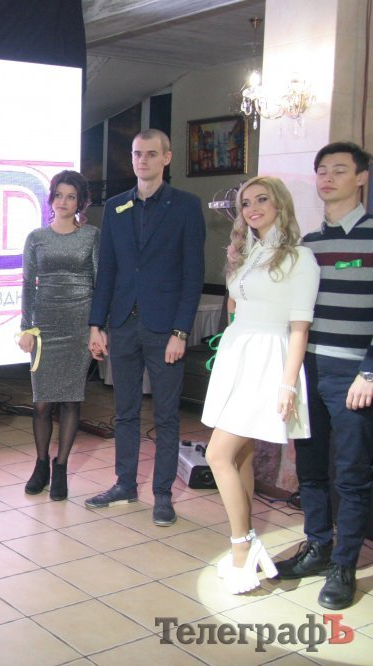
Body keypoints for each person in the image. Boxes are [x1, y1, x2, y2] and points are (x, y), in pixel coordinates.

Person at [201, 176, 319, 595]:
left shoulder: (300, 257)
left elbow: (300, 328)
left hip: (269, 361)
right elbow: (238, 307)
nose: (252, 209)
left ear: (280, 204)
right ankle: (247, 541)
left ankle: (241, 550)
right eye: (246, 203)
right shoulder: (248, 253)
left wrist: (287, 386)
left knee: (217, 454)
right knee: (241, 457)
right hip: (238, 356)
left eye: (261, 200)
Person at [86, 128, 206, 526]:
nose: (143, 160)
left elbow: (193, 275)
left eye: (151, 154)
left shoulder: (185, 206)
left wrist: (181, 331)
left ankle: (162, 494)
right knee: (124, 412)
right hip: (122, 324)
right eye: (138, 153)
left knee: (167, 416)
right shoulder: (116, 206)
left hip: (164, 329)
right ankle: (125, 484)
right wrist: (96, 324)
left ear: (166, 158)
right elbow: (107, 272)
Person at [275, 141, 373, 610]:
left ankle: (344, 566)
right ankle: (318, 547)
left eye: (339, 170)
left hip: (355, 376)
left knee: (351, 475)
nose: (328, 178)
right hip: (309, 371)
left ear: (362, 178)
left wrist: (369, 370)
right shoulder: (308, 246)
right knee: (310, 470)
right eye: (322, 171)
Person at [18, 170, 99, 500]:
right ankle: (41, 464)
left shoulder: (92, 236)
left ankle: (61, 466)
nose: (63, 202)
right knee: (41, 404)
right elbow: (27, 285)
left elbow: (100, 283)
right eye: (59, 195)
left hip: (79, 324)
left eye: (71, 196)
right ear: (51, 198)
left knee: (70, 400)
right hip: (45, 326)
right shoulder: (36, 237)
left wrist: (97, 328)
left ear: (80, 202)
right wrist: (26, 328)